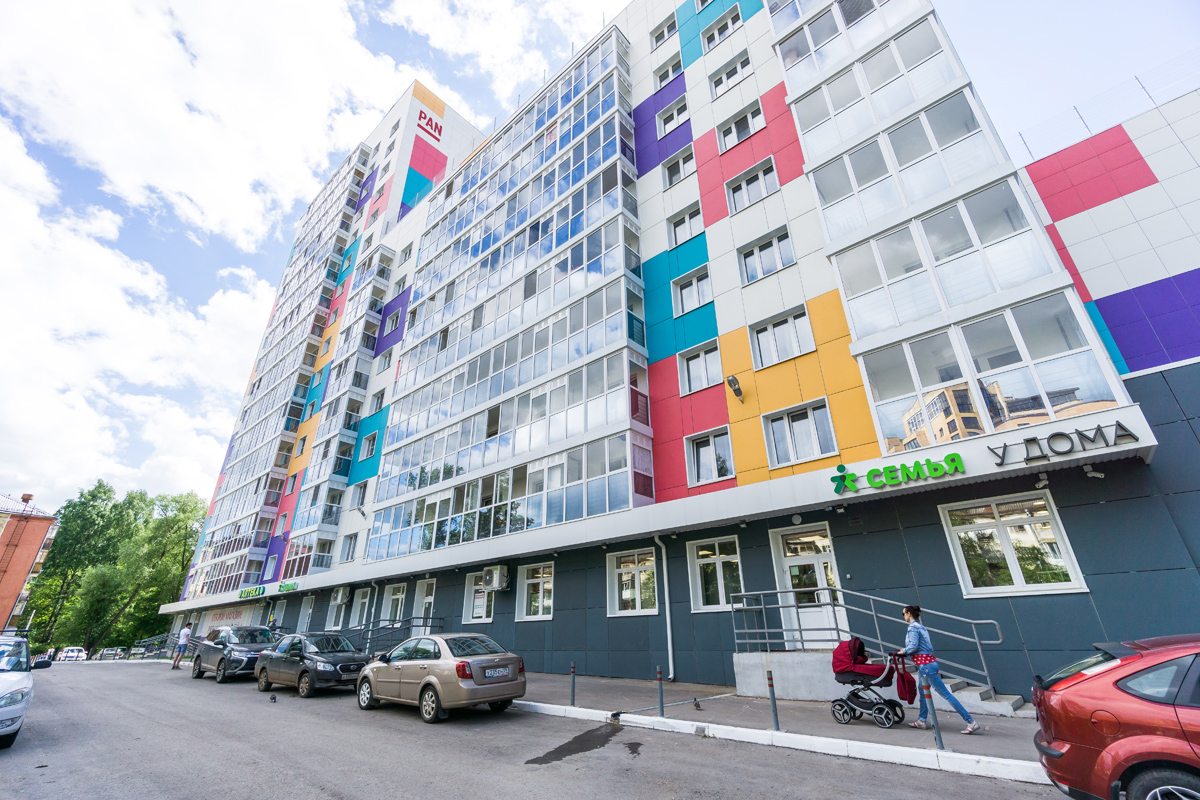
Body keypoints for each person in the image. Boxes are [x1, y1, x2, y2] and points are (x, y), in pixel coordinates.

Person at [895, 605, 979, 734]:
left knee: (945, 694)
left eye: (903, 614)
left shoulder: (912, 627)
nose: (903, 616)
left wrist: (903, 651)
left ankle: (971, 722)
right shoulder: (921, 627)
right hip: (928, 664)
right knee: (923, 692)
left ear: (909, 614)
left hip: (926, 666)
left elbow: (913, 646)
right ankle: (921, 720)